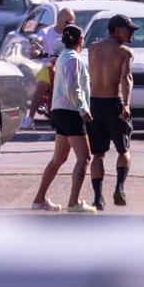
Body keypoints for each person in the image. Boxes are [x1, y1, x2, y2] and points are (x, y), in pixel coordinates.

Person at [31, 24, 96, 213]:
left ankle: (39, 199)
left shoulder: (61, 58)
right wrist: (83, 109)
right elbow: (73, 87)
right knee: (84, 158)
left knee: (58, 158)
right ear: (80, 40)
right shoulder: (73, 59)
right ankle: (74, 202)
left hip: (59, 111)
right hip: (70, 111)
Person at [87, 13, 136, 210]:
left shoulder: (92, 48)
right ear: (116, 30)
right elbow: (127, 79)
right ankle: (119, 187)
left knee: (98, 154)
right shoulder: (125, 52)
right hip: (114, 103)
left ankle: (98, 198)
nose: (132, 33)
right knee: (123, 150)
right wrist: (126, 105)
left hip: (94, 104)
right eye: (128, 29)